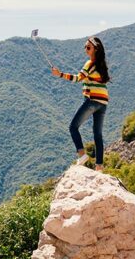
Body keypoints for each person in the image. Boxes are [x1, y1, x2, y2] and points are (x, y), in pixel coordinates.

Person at [51, 36, 110, 172]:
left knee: (73, 127)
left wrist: (60, 74)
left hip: (92, 101)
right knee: (98, 135)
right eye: (85, 47)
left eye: (88, 47)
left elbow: (78, 78)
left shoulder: (89, 64)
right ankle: (99, 167)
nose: (86, 49)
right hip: (103, 102)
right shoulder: (102, 66)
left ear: (95, 49)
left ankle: (82, 155)